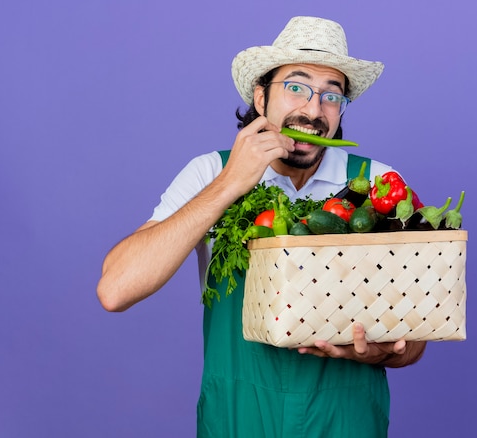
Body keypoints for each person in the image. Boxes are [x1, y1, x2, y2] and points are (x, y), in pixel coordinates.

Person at [97, 16, 426, 437]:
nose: (312, 110)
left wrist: (378, 354)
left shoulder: (379, 184)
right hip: (238, 416)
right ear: (260, 96)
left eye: (331, 95)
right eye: (296, 87)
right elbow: (115, 289)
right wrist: (230, 184)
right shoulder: (210, 173)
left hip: (346, 418)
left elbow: (413, 344)